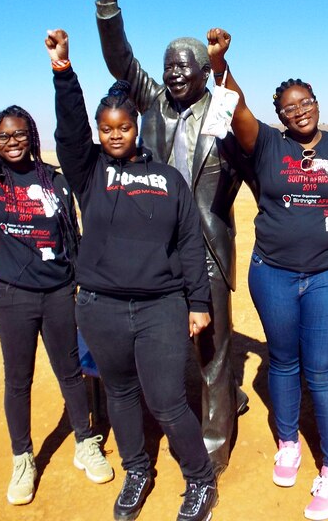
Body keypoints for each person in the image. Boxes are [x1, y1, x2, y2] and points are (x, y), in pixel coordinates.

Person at [207, 27, 328, 521]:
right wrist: (221, 65)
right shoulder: (266, 145)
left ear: (315, 102)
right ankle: (288, 442)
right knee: (282, 361)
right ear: (280, 114)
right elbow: (238, 109)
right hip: (274, 275)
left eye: (305, 101)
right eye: (289, 106)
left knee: (323, 370)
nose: (299, 110)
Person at [0, 48, 113, 506]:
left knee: (71, 373)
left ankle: (85, 443)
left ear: (31, 136)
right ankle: (23, 458)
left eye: (19, 133)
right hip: (11, 296)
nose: (12, 140)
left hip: (58, 292)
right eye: (2, 135)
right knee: (18, 379)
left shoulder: (56, 179)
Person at [45, 29, 218, 521]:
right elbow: (69, 134)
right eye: (107, 129)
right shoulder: (89, 173)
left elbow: (188, 242)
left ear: (136, 126)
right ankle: (137, 470)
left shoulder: (167, 179)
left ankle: (201, 480)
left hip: (160, 307)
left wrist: (199, 303)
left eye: (123, 127)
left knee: (166, 401)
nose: (115, 135)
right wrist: (63, 72)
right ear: (99, 132)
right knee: (120, 394)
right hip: (99, 307)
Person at [94, 0, 253, 475]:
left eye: (187, 65)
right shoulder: (155, 103)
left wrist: (228, 65)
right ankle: (173, 415)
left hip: (206, 241)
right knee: (163, 338)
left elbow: (250, 135)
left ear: (205, 71)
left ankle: (214, 441)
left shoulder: (223, 107)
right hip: (156, 245)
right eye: (170, 66)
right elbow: (120, 58)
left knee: (212, 347)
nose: (176, 73)